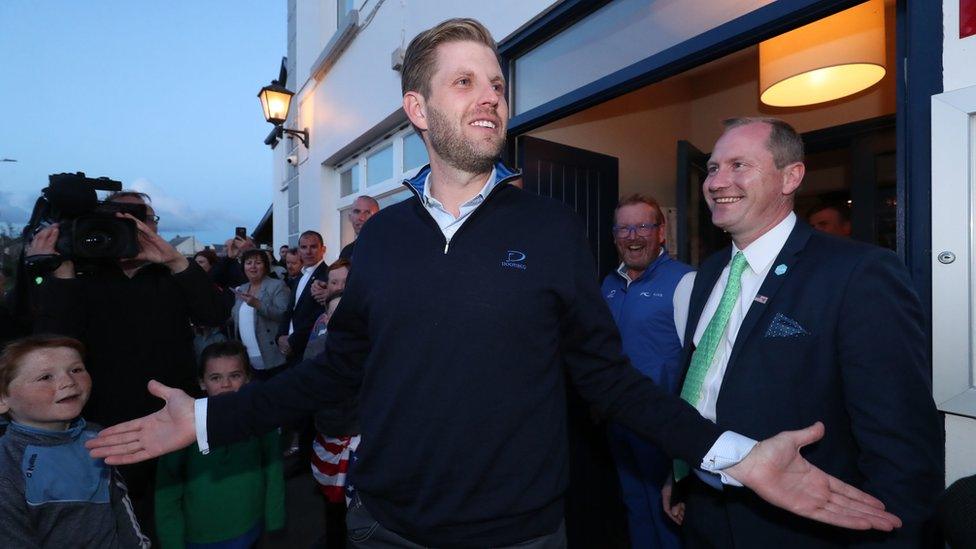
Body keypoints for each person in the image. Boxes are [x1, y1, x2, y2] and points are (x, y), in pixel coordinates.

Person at [89, 19, 901, 548]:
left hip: (521, 533)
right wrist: (207, 419)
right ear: (417, 109)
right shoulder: (381, 242)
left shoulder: (548, 231)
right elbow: (332, 373)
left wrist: (733, 454)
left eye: (497, 82)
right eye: (465, 81)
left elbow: (610, 380)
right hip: (384, 525)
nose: (491, 96)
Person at [662, 117, 941, 548]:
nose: (718, 181)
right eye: (713, 168)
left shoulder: (858, 274)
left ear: (791, 176)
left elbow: (901, 442)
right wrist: (681, 475)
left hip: (798, 526)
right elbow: (703, 386)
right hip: (703, 511)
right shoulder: (710, 272)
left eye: (739, 165)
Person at [28, 190, 231, 537]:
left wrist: (174, 260)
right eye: (119, 222)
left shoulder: (170, 274)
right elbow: (53, 341)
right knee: (124, 514)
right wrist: (59, 271)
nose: (132, 231)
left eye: (142, 221)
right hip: (109, 422)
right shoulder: (80, 278)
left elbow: (213, 313)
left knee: (182, 506)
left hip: (174, 416)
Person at [602, 194, 692, 549]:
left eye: (642, 225)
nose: (632, 235)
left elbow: (698, 363)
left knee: (668, 513)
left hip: (662, 427)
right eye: (623, 227)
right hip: (618, 421)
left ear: (661, 232)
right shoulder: (608, 285)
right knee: (635, 507)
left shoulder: (685, 282)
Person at [0, 335, 149, 548]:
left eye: (76, 370)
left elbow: (120, 504)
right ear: (3, 399)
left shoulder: (98, 436)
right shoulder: (8, 463)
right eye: (45, 377)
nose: (68, 382)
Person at [155, 342, 284, 549]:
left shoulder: (260, 418)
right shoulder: (183, 428)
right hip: (201, 537)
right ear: (202, 382)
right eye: (215, 378)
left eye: (235, 375)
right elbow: (167, 493)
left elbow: (273, 466)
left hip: (251, 525)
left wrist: (275, 516)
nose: (226, 385)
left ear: (248, 377)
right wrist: (172, 542)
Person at [306, 291, 359, 549]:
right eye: (333, 312)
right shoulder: (317, 347)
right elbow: (306, 386)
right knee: (332, 503)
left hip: (360, 438)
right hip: (328, 431)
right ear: (325, 317)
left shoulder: (370, 347)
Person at [231, 249, 290, 382]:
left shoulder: (277, 285)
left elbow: (283, 314)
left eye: (258, 263)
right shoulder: (241, 289)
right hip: (248, 357)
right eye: (248, 263)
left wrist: (257, 304)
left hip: (272, 356)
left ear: (265, 266)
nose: (252, 266)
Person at [276, 231, 327, 362]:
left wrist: (292, 341)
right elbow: (290, 309)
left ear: (323, 249)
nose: (308, 251)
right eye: (304, 247)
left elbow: (318, 315)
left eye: (313, 246)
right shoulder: (301, 275)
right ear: (299, 250)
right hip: (292, 347)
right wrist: (281, 335)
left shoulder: (327, 276)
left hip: (309, 349)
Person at [339, 196, 380, 260]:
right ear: (350, 217)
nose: (361, 218)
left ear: (378, 217)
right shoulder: (346, 252)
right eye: (357, 212)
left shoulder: (388, 245)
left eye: (367, 212)